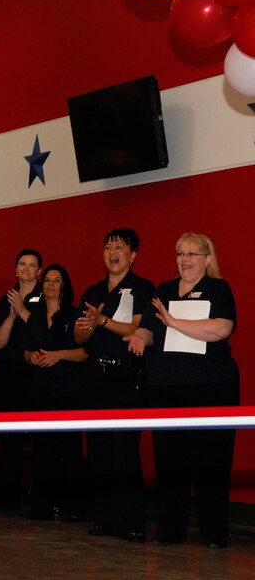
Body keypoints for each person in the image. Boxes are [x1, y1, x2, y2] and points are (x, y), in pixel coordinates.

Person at [126, 233, 238, 549]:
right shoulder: (164, 290)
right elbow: (147, 327)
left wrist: (174, 323)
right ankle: (170, 528)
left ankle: (215, 530)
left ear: (206, 258)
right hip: (166, 388)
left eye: (192, 254)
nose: (185, 259)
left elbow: (220, 329)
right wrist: (140, 339)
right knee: (169, 460)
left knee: (212, 460)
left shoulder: (219, 289)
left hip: (211, 388)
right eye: (180, 253)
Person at [74, 228, 153, 543]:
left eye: (119, 246)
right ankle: (104, 518)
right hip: (95, 377)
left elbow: (134, 328)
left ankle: (133, 521)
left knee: (125, 450)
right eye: (107, 246)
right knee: (99, 449)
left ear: (132, 255)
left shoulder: (142, 287)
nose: (112, 251)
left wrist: (102, 322)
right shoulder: (94, 291)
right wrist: (90, 325)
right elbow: (79, 336)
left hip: (125, 377)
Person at [23, 264, 88, 520]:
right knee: (42, 451)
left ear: (65, 285)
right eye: (47, 280)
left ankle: (71, 506)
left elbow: (85, 353)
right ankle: (42, 505)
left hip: (69, 392)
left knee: (69, 452)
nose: (50, 285)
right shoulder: (35, 318)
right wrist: (34, 358)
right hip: (41, 391)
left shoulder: (75, 315)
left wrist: (58, 355)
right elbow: (26, 352)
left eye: (56, 280)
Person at [0, 249, 43, 511]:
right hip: (9, 376)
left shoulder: (47, 296)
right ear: (16, 269)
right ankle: (5, 498)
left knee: (39, 440)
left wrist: (22, 310)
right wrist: (11, 314)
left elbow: (44, 336)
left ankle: (39, 501)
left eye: (32, 265)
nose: (27, 269)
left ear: (39, 271)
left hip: (36, 376)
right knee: (10, 440)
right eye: (22, 264)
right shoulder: (4, 300)